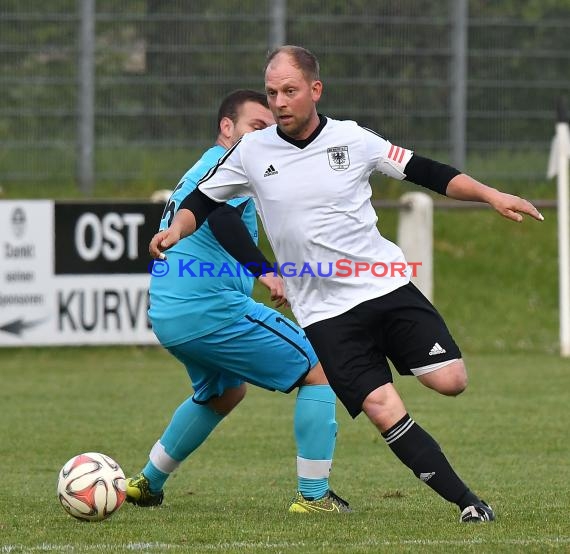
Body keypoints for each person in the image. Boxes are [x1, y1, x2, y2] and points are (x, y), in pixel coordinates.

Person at [150, 46, 546, 523]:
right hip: (324, 314)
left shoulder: (352, 138)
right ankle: (469, 503)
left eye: (290, 91)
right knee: (383, 408)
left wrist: (490, 195)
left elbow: (425, 170)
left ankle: (396, 358)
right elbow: (202, 199)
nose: (279, 102)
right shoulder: (252, 152)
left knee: (451, 381)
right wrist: (177, 229)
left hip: (384, 287)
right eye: (273, 92)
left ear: (315, 90)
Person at [127, 89, 350, 514]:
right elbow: (224, 217)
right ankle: (314, 496)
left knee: (224, 393)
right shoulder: (222, 166)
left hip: (170, 314)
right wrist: (264, 272)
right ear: (226, 127)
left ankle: (147, 483)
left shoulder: (206, 169)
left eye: (268, 129)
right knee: (320, 366)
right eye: (254, 127)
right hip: (208, 309)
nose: (262, 136)